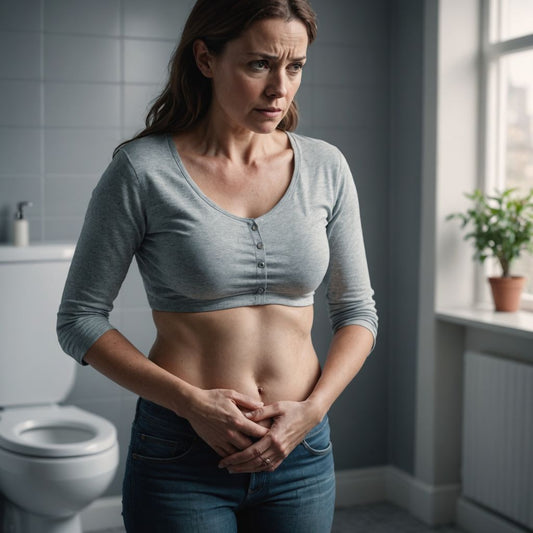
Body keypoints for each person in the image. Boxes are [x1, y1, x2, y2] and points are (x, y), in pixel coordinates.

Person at [57, 0, 378, 531]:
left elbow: (358, 312)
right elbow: (79, 319)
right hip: (182, 455)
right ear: (206, 59)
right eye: (258, 64)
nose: (280, 87)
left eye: (294, 66)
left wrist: (313, 410)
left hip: (300, 451)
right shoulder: (142, 171)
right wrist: (190, 404)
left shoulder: (327, 167)